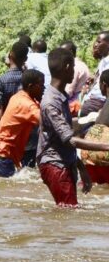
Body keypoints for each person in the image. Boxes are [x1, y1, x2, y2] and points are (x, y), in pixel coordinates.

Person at [37, 48, 109, 207]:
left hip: (64, 162)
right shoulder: (51, 102)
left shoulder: (60, 97)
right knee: (67, 212)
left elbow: (65, 140)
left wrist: (81, 168)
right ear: (67, 67)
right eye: (74, 67)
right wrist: (106, 146)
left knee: (68, 212)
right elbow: (70, 140)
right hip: (55, 164)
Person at [0, 70, 44, 177]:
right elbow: (49, 122)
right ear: (30, 86)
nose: (43, 89)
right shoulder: (28, 105)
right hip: (1, 156)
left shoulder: (18, 96)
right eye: (41, 85)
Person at [79, 31, 109, 117]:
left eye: (99, 42)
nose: (95, 45)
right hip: (92, 98)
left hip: (99, 101)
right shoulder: (103, 60)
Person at [61, 40, 90, 113]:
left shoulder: (74, 67)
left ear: (70, 51)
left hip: (74, 102)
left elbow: (69, 91)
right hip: (79, 99)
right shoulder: (81, 64)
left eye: (62, 52)